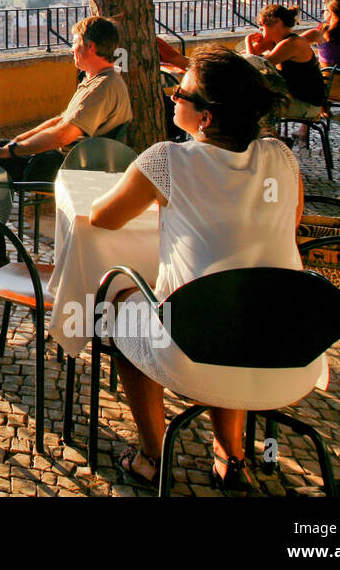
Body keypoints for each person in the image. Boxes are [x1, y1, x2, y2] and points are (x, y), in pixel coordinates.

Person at [89, 47, 323, 492]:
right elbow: (286, 231)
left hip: (193, 358)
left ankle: (152, 457)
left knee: (120, 303)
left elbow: (104, 217)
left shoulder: (167, 160)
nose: (172, 97)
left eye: (181, 92)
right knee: (238, 299)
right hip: (289, 357)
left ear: (206, 118)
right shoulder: (281, 158)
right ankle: (231, 455)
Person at [0, 16, 132, 178]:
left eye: (75, 43)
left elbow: (63, 135)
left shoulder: (102, 87)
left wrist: (12, 151)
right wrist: (19, 140)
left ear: (90, 47)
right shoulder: (96, 81)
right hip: (63, 159)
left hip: (65, 166)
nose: (71, 49)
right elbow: (62, 120)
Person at [242, 4, 323, 120]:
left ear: (278, 23)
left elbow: (255, 63)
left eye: (262, 25)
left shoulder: (292, 43)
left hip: (306, 105)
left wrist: (248, 40)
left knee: (248, 103)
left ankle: (264, 134)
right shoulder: (277, 42)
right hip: (291, 98)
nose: (260, 29)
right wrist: (258, 46)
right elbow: (245, 56)